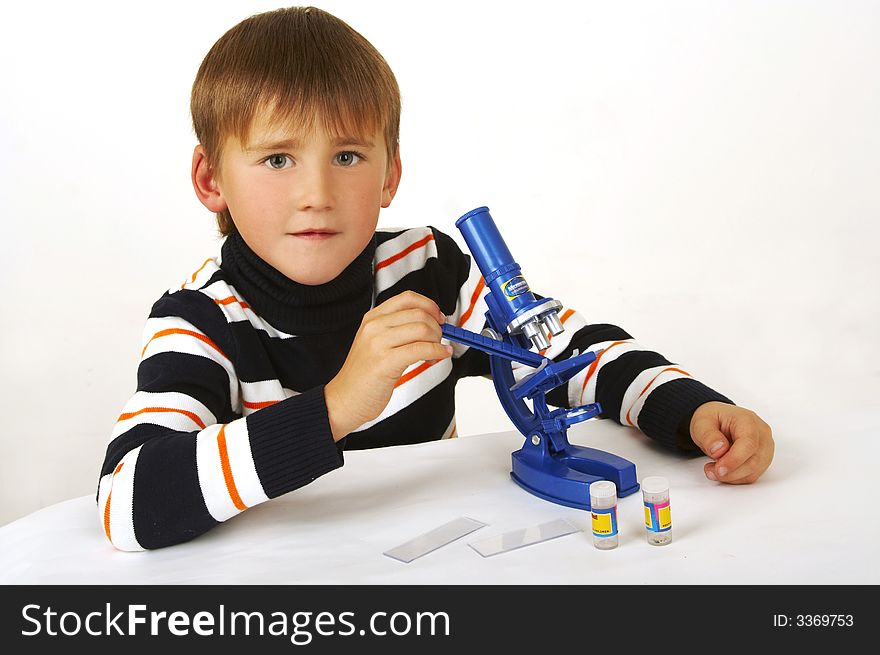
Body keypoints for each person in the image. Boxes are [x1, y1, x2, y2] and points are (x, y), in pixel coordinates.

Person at [97, 6, 774, 551]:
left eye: (348, 154)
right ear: (210, 179)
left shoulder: (428, 268)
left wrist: (690, 409)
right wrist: (335, 407)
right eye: (277, 158)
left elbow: (565, 351)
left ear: (390, 173)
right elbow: (128, 502)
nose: (317, 192)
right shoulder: (201, 318)